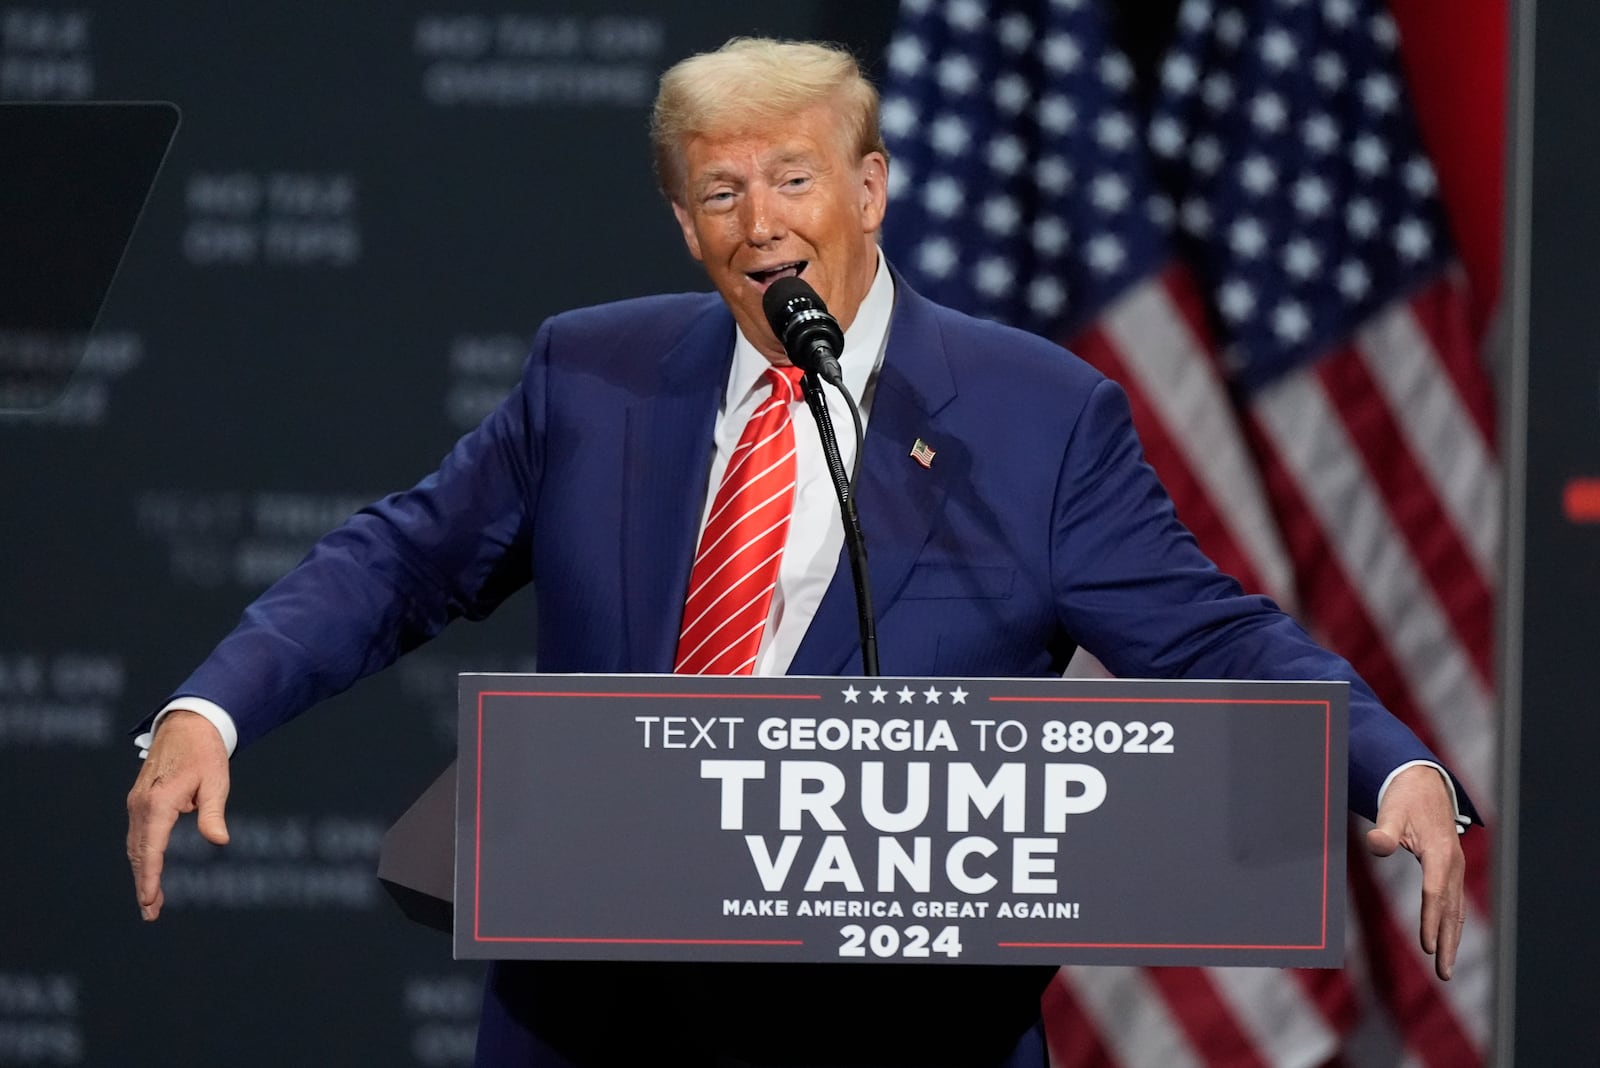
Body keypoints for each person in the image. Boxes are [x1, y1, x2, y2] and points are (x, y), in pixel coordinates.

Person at [127, 37, 1471, 1068]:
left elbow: (1212, 634)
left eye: (791, 175)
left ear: (871, 188)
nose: (757, 219)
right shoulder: (591, 375)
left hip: (892, 1029)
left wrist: (1388, 761)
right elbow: (402, 562)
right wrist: (214, 708)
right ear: (684, 221)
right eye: (718, 188)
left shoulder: (1037, 417)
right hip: (599, 1021)